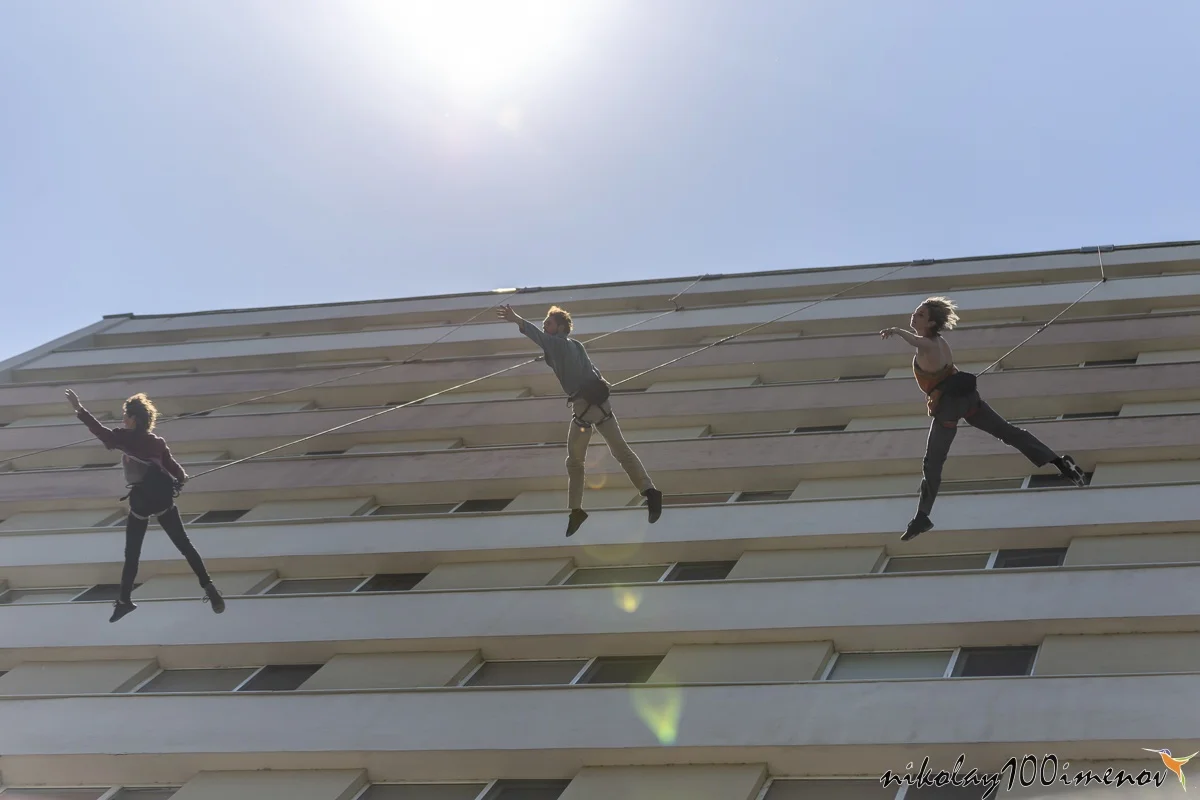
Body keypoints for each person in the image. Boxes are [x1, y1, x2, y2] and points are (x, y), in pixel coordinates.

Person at [880, 297, 1086, 541]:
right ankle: (1059, 462)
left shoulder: (926, 344)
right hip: (968, 398)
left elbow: (915, 341)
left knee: (933, 462)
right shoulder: (939, 341)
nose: (914, 316)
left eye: (921, 315)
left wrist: (896, 331)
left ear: (932, 322)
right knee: (1007, 432)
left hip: (950, 405)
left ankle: (922, 516)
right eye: (915, 312)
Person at [496, 304, 663, 536]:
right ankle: (650, 491)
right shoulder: (576, 345)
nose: (545, 325)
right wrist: (603, 386)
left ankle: (576, 510)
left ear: (560, 328)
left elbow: (535, 334)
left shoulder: (558, 343)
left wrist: (517, 320)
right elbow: (593, 370)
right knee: (621, 451)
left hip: (584, 407)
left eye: (549, 323)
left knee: (575, 462)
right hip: (601, 406)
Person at [66, 389, 225, 622]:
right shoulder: (157, 442)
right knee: (185, 545)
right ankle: (209, 587)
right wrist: (182, 477)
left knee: (132, 554)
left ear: (134, 419)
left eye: (125, 416)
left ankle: (124, 600)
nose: (123, 420)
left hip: (141, 500)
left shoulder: (124, 436)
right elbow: (173, 467)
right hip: (162, 498)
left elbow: (101, 433)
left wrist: (79, 408)